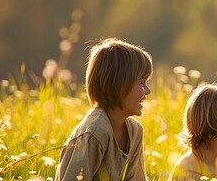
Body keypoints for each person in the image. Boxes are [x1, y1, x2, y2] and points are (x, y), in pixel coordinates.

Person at [56, 38, 150, 181]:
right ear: (118, 84)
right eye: (142, 83)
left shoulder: (135, 131)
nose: (148, 90)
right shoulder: (93, 133)